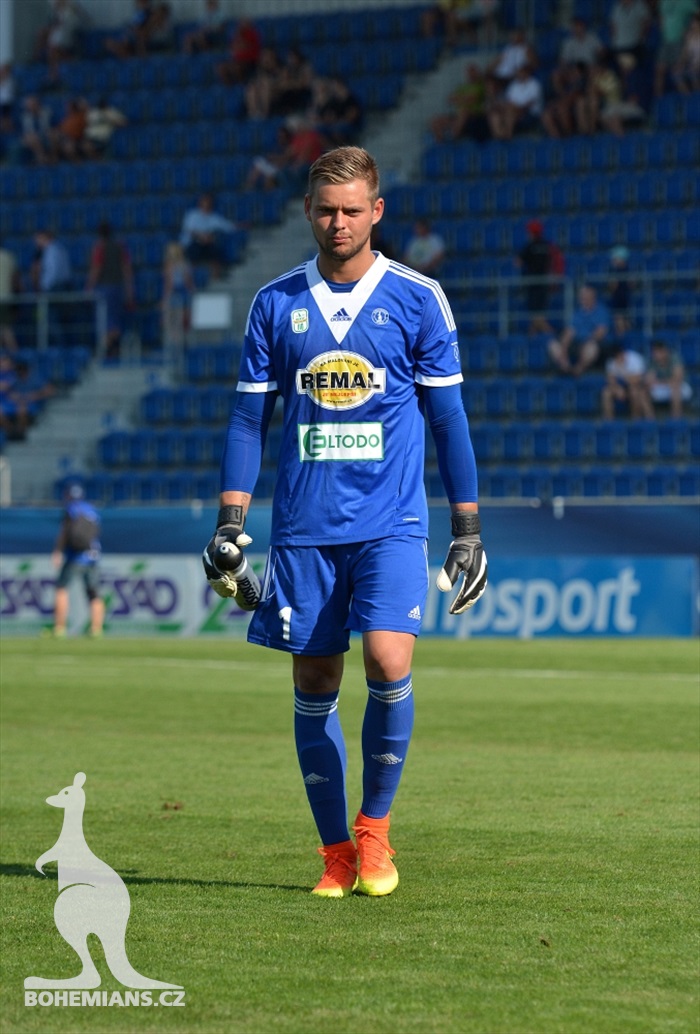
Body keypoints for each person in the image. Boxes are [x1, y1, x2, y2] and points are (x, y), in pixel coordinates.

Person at [201, 146, 487, 899]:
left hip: (392, 520)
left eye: (352, 209)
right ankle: (334, 852)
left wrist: (467, 526)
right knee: (316, 677)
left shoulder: (419, 298)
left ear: (377, 212)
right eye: (327, 210)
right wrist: (232, 520)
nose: (338, 222)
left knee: (390, 661)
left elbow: (449, 418)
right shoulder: (275, 303)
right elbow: (246, 418)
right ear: (308, 211)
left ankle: (375, 832)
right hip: (303, 529)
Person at [51, 484, 104, 637]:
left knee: (61, 588)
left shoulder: (71, 510)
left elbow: (65, 533)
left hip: (75, 556)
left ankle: (60, 628)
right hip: (92, 556)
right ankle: (96, 629)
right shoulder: (92, 511)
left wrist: (58, 551)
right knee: (94, 593)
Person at [86, 222, 135, 360]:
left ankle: (106, 351)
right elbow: (127, 269)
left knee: (105, 322)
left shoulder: (99, 248)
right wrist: (129, 290)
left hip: (104, 289)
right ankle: (113, 349)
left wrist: (89, 287)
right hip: (118, 288)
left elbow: (96, 268)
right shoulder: (120, 246)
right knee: (115, 321)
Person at [548, 284, 610, 376]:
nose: (582, 298)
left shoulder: (601, 311)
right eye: (582, 296)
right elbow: (569, 332)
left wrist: (586, 342)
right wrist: (564, 348)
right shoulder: (577, 313)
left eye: (585, 296)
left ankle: (578, 370)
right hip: (576, 343)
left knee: (591, 347)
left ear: (592, 296)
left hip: (593, 343)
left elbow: (600, 332)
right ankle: (566, 368)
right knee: (553, 345)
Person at [179, 193, 238, 281]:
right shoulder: (192, 215)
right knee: (193, 252)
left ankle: (216, 277)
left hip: (208, 244)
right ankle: (191, 278)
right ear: (200, 203)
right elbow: (190, 230)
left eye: (208, 203)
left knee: (216, 250)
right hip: (194, 243)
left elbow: (227, 226)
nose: (206, 205)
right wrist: (202, 236)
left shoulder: (214, 217)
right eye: (204, 202)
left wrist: (240, 225)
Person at [515, 220, 555, 335]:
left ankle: (551, 334)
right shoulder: (547, 245)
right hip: (544, 283)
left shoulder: (530, 246)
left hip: (532, 284)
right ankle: (531, 335)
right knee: (537, 314)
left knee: (536, 315)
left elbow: (518, 262)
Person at [601, 343, 651, 418]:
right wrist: (617, 388)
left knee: (634, 391)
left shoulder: (635, 358)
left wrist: (623, 371)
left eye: (618, 357)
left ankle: (636, 418)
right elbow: (611, 380)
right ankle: (609, 420)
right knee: (606, 393)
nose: (616, 360)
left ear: (622, 353)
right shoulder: (611, 362)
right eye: (615, 358)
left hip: (637, 386)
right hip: (620, 386)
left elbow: (637, 380)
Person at [161, 240, 194, 353]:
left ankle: (177, 346)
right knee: (179, 323)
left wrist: (166, 299)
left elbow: (169, 284)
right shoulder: (185, 264)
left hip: (177, 294)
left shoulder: (172, 265)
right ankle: (179, 346)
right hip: (182, 294)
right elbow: (188, 283)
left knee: (175, 323)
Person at [645, 339, 692, 418]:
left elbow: (677, 378)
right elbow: (649, 380)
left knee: (675, 386)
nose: (655, 355)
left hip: (682, 387)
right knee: (643, 389)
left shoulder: (675, 358)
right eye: (654, 352)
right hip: (662, 386)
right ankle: (650, 420)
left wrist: (659, 382)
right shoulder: (652, 361)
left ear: (664, 351)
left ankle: (676, 418)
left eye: (657, 352)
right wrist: (657, 382)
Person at [216, 18, 262, 86]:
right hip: (236, 60)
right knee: (220, 68)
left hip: (250, 61)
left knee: (236, 67)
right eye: (241, 23)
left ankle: (241, 85)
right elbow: (233, 47)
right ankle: (228, 88)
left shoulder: (253, 34)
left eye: (244, 23)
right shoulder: (237, 34)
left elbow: (248, 47)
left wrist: (240, 46)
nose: (241, 24)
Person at [607, 245, 633, 337]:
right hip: (624, 296)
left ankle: (622, 336)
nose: (613, 260)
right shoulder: (628, 270)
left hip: (619, 297)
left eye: (615, 258)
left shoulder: (616, 271)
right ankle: (626, 335)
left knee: (619, 318)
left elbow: (613, 286)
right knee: (624, 318)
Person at [0, 245, 21, 352]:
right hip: (7, 298)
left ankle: (14, 354)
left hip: (4, 298)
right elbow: (16, 279)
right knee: (5, 328)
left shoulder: (8, 257)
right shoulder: (8, 256)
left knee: (6, 329)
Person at [673, 13, 700, 94]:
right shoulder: (689, 36)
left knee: (693, 73)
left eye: (694, 23)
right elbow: (685, 53)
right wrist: (680, 63)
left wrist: (698, 65)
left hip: (698, 65)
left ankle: (697, 96)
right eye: (692, 23)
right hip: (692, 64)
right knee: (676, 73)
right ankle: (687, 97)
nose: (692, 25)